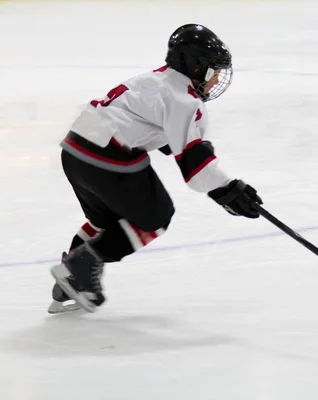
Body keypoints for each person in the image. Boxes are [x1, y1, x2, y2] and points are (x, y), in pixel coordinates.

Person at [48, 23, 262, 314]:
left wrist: (217, 184)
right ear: (196, 67)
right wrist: (229, 188)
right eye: (212, 73)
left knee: (105, 222)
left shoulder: (154, 80)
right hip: (106, 157)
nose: (214, 83)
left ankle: (69, 282)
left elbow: (161, 137)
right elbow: (195, 170)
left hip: (75, 149)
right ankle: (82, 266)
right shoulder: (184, 99)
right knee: (156, 216)